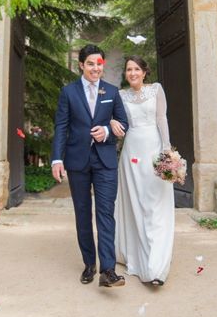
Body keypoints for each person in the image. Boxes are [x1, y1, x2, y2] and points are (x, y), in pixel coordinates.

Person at [51, 44, 129, 287]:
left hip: (105, 161)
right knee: (83, 214)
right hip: (77, 161)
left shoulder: (112, 92)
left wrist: (106, 130)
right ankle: (89, 264)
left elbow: (123, 123)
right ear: (81, 65)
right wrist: (57, 158)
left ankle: (108, 270)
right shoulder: (68, 92)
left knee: (105, 213)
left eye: (99, 64)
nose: (96, 68)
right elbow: (61, 127)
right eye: (91, 64)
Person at [110, 56, 175, 286]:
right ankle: (138, 255)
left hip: (154, 150)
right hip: (131, 152)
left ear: (144, 72)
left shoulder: (156, 90)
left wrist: (167, 151)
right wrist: (111, 124)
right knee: (136, 203)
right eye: (129, 69)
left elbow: (161, 118)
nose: (133, 73)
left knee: (154, 204)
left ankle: (156, 267)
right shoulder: (121, 95)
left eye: (136, 69)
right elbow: (118, 122)